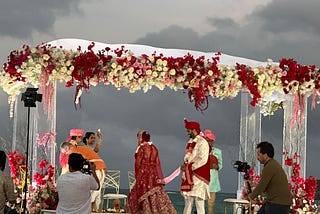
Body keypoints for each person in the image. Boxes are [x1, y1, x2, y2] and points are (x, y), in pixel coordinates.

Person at [128, 130, 177, 214]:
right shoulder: (154, 148)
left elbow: (137, 163)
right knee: (155, 193)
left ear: (141, 138)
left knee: (140, 194)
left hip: (144, 175)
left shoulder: (141, 148)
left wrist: (138, 175)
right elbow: (157, 163)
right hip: (154, 175)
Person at [60, 141, 107, 212]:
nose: (66, 154)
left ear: (67, 148)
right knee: (95, 192)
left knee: (90, 192)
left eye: (65, 152)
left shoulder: (74, 152)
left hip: (96, 169)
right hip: (99, 168)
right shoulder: (79, 148)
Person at [248, 141, 292, 214]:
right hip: (277, 202)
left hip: (277, 204)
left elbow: (261, 186)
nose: (257, 158)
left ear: (265, 155)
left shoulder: (270, 166)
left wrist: (250, 197)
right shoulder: (272, 164)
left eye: (258, 155)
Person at [180, 119, 210, 214]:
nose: (188, 133)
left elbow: (203, 160)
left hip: (199, 175)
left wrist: (190, 167)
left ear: (194, 130)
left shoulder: (203, 142)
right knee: (188, 201)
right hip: (190, 175)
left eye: (189, 131)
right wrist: (186, 166)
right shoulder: (191, 142)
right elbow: (188, 157)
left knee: (199, 202)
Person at [204, 129, 222, 214]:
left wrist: (217, 166)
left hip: (213, 181)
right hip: (202, 179)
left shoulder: (218, 152)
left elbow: (221, 165)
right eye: (207, 141)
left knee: (211, 203)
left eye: (211, 141)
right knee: (199, 203)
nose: (209, 143)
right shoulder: (201, 151)